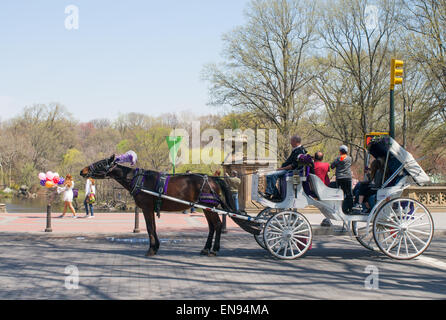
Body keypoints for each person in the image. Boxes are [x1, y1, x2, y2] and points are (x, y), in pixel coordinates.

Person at [263, 135, 307, 200]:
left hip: (292, 172)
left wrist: (282, 168)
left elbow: (293, 165)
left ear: (295, 141)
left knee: (272, 175)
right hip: (287, 169)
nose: (290, 142)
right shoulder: (296, 150)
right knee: (269, 175)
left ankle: (269, 193)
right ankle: (276, 195)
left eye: (291, 141)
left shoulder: (300, 151)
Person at [331, 145, 353, 214]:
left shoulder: (338, 159)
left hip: (340, 178)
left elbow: (332, 166)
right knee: (349, 193)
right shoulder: (349, 158)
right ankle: (350, 208)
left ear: (340, 151)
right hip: (348, 178)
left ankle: (340, 207)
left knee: (340, 193)